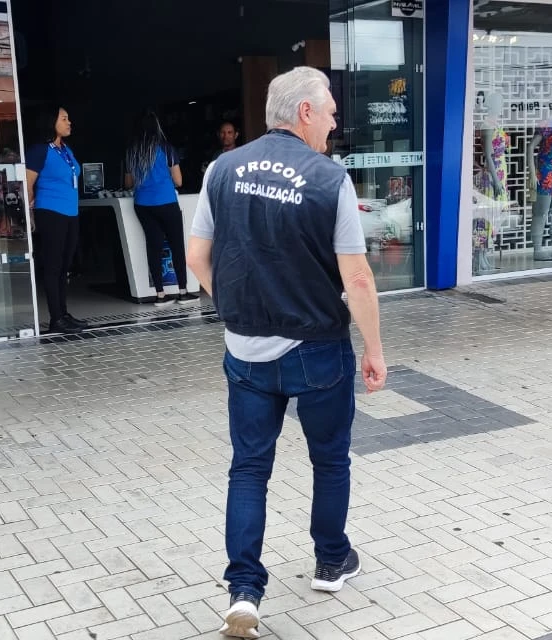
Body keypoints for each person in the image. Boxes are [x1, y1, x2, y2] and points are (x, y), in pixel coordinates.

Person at [186, 66, 388, 639]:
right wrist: (374, 348)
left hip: (244, 350)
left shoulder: (222, 169)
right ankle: (331, 561)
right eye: (329, 112)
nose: (334, 123)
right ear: (304, 112)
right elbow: (358, 278)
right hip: (317, 348)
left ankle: (244, 592)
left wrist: (233, 306)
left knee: (249, 468)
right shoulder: (330, 179)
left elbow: (197, 256)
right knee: (330, 458)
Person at [123, 112, 200, 306]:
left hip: (142, 204)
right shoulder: (166, 149)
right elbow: (179, 181)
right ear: (157, 127)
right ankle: (183, 292)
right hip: (166, 202)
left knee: (153, 246)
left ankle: (160, 294)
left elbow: (128, 183)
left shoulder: (132, 152)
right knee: (176, 245)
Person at [25, 107, 86, 334]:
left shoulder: (66, 149)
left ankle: (63, 313)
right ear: (51, 122)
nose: (69, 122)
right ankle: (56, 318)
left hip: (71, 213)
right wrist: (29, 215)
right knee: (53, 266)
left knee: (65, 266)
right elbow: (27, 185)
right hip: (50, 212)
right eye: (64, 118)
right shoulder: (39, 150)